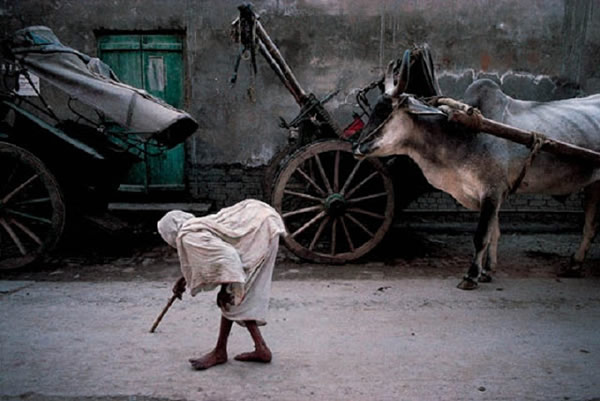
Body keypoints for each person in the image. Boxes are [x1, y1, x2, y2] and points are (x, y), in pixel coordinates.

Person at [157, 199, 286, 370]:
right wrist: (185, 279)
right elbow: (208, 257)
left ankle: (222, 351)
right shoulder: (195, 226)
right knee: (236, 298)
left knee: (232, 298)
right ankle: (257, 348)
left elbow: (228, 258)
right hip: (262, 219)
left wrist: (225, 290)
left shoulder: (188, 236)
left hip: (261, 229)